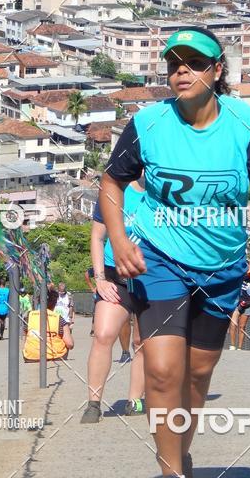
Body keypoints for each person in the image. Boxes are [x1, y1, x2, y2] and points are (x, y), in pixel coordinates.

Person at [99, 26, 250, 478]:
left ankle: (180, 451)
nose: (181, 71)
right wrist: (122, 240)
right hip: (159, 257)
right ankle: (171, 470)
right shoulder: (148, 123)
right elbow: (111, 181)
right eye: (173, 64)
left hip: (222, 267)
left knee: (197, 374)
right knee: (164, 372)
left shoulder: (246, 125)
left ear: (217, 70)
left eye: (194, 63)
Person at [81, 181, 146, 424]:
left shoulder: (167, 189)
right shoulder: (115, 190)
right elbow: (97, 237)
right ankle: (94, 403)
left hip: (154, 277)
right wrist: (99, 280)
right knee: (103, 334)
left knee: (142, 341)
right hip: (114, 275)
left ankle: (135, 399)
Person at [23, 288, 74, 362]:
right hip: (56, 356)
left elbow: (26, 336)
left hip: (30, 356)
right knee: (66, 339)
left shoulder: (29, 315)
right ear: (55, 302)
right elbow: (70, 344)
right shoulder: (59, 318)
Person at [229, 265, 250, 351]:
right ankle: (232, 346)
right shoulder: (237, 275)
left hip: (248, 303)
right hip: (237, 303)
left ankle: (239, 348)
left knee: (242, 327)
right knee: (233, 324)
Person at [85, 266, 97, 336]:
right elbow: (87, 274)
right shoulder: (100, 266)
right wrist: (92, 288)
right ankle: (93, 330)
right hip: (100, 293)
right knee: (96, 312)